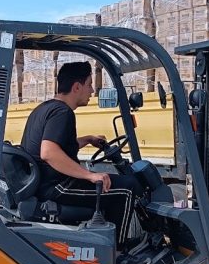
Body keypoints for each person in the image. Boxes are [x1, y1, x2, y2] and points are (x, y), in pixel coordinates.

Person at [21, 61, 143, 246]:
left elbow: (56, 146)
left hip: (44, 183)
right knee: (127, 187)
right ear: (76, 87)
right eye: (89, 85)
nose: (92, 91)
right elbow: (49, 153)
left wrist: (86, 140)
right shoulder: (63, 113)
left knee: (113, 186)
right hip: (57, 186)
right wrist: (90, 176)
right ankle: (118, 253)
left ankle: (103, 240)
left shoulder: (44, 108)